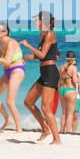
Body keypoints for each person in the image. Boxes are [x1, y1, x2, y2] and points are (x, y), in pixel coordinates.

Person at [21, 11, 61, 145]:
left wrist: (27, 46)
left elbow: (43, 55)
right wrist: (29, 56)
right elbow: (41, 55)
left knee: (46, 108)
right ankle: (45, 129)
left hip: (51, 73)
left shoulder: (50, 34)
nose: (35, 22)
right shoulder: (42, 34)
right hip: (44, 73)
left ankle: (57, 139)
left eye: (36, 19)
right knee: (28, 101)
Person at [0, 21, 25, 132]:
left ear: (5, 32)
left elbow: (6, 61)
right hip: (7, 72)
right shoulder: (1, 43)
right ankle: (8, 119)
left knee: (10, 102)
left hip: (16, 71)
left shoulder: (11, 43)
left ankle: (19, 128)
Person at [58, 51, 79, 134]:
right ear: (74, 59)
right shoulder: (73, 68)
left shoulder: (61, 66)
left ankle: (61, 130)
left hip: (62, 90)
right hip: (70, 90)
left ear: (66, 58)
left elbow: (59, 80)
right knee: (70, 113)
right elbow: (75, 81)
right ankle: (68, 131)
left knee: (63, 113)